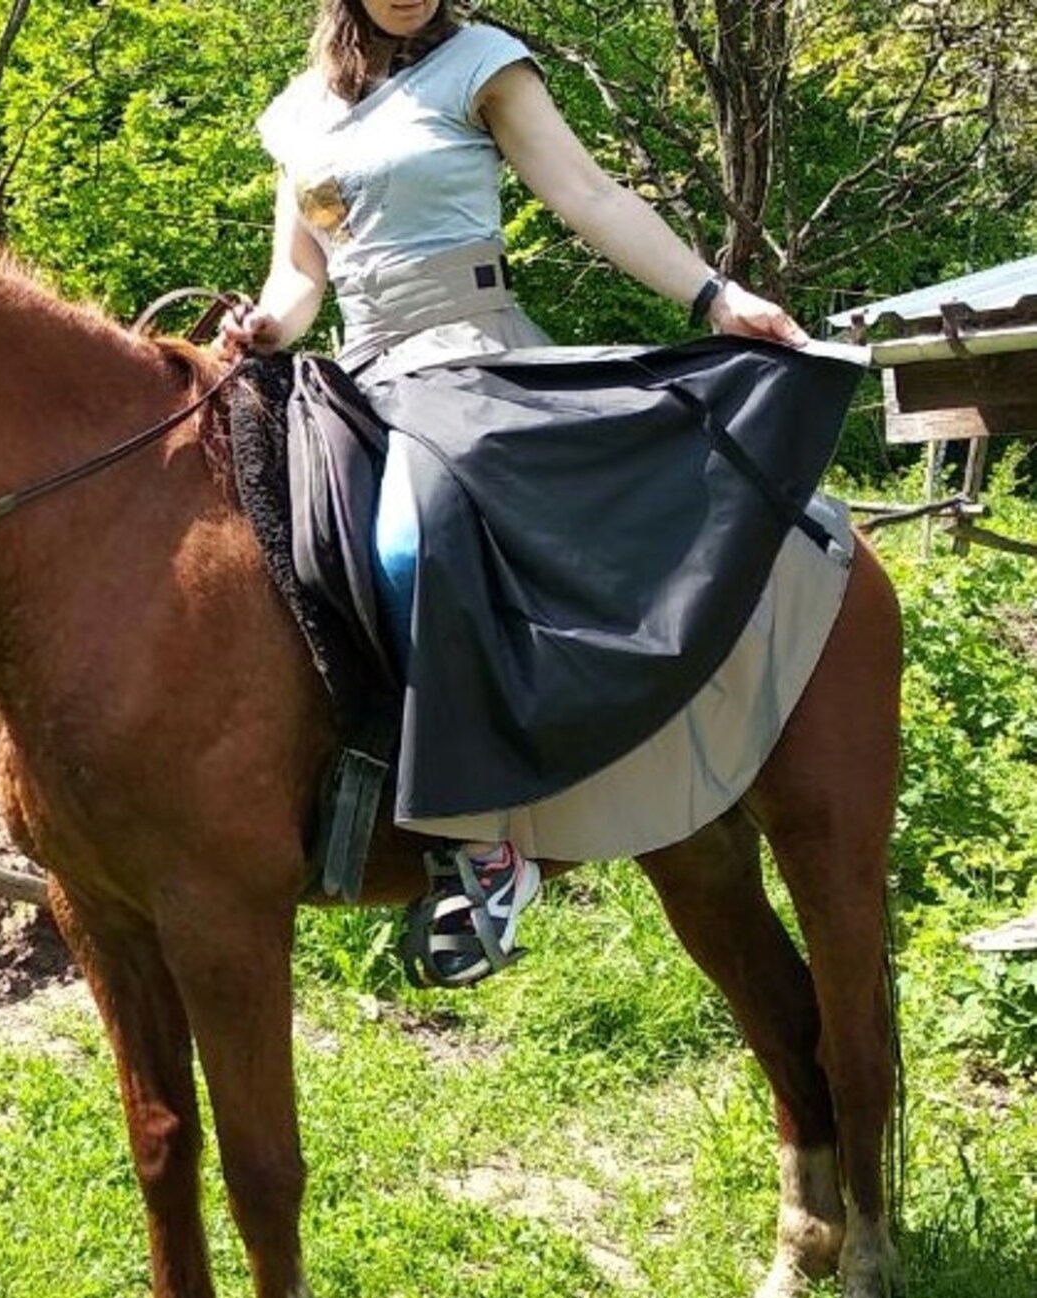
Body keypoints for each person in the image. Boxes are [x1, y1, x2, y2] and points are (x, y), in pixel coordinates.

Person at [219, 0, 814, 988]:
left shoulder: (483, 66)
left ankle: (486, 842)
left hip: (471, 357)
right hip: (359, 375)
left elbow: (590, 195)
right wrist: (266, 327)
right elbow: (300, 272)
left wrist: (715, 298)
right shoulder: (297, 116)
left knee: (412, 543)